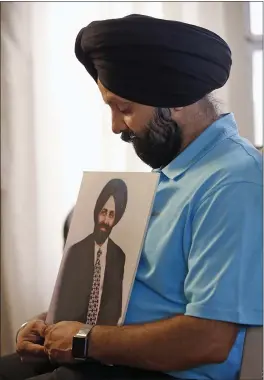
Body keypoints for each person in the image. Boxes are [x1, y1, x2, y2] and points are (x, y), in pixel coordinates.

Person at [0, 13, 262, 380]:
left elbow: (209, 340)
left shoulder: (233, 183)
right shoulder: (172, 171)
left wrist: (83, 340)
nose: (115, 126)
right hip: (107, 357)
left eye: (124, 108)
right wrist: (52, 325)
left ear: (175, 100)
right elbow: (131, 300)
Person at [49, 179, 127, 326]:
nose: (105, 220)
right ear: (96, 212)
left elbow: (115, 307)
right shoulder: (75, 251)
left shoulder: (118, 255)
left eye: (111, 215)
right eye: (103, 212)